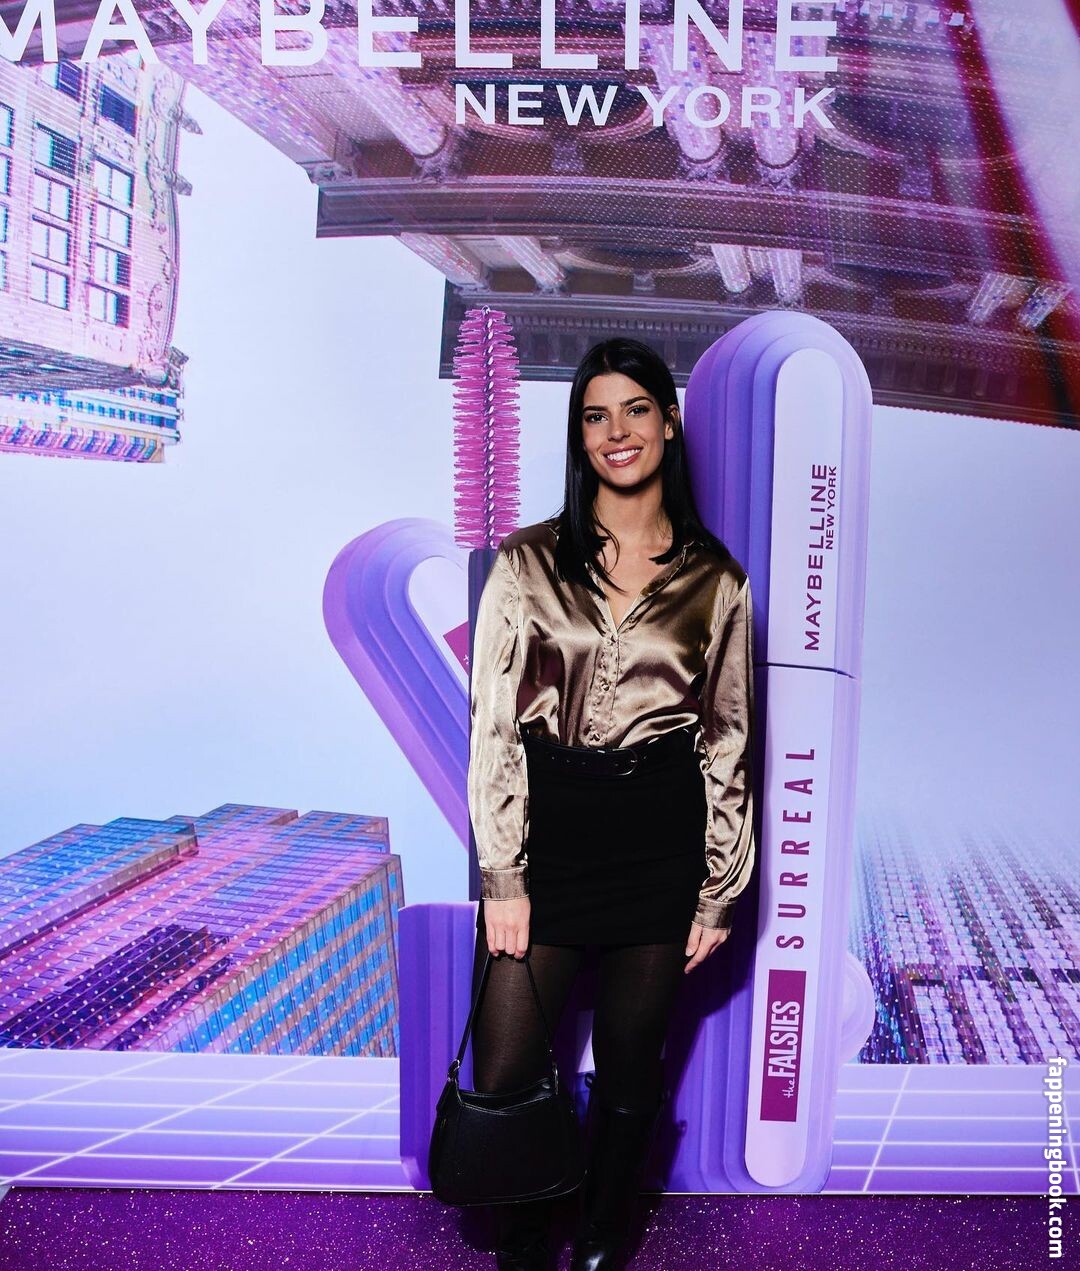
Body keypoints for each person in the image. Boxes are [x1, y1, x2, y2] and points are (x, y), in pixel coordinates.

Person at [466, 336, 756, 1270]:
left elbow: (727, 739)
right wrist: (503, 874)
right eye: (596, 415)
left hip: (658, 844)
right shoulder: (526, 560)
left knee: (632, 1071)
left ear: (668, 424)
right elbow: (494, 725)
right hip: (549, 836)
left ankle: (599, 1239)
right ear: (579, 434)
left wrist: (719, 889)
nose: (616, 431)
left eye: (635, 409)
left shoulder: (717, 580)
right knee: (505, 1068)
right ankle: (521, 1247)